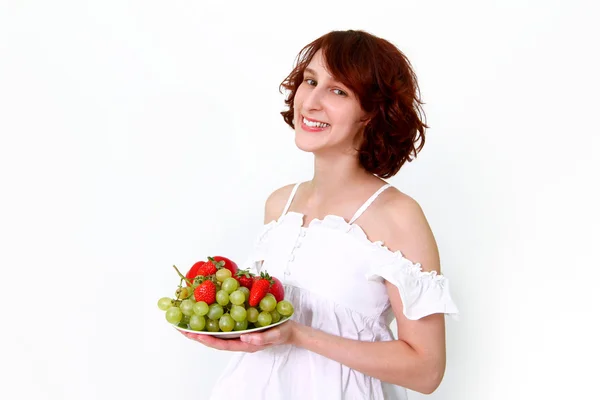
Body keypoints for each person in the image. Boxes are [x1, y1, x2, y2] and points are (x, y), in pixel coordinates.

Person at [180, 29, 459, 399]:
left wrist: (298, 334)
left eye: (338, 91)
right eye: (310, 81)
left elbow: (426, 371)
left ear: (371, 113)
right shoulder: (280, 204)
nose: (310, 101)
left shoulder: (398, 215)